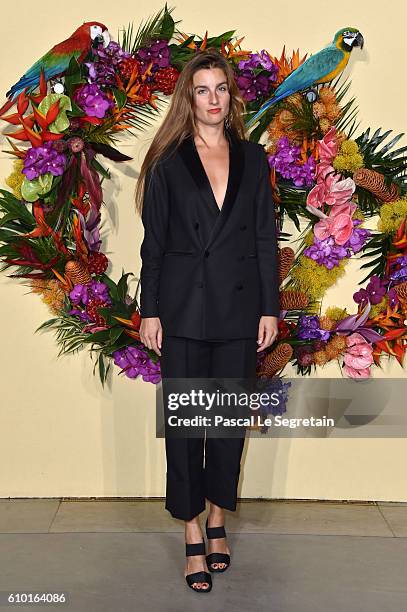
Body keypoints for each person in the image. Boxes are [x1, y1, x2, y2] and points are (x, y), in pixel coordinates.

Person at [135, 48, 280, 593]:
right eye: (203, 89)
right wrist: (151, 309)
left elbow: (265, 237)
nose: (213, 98)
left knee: (225, 424)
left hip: (240, 310)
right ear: (188, 98)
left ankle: (218, 517)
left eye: (221, 88)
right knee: (187, 425)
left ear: (231, 96)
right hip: (183, 308)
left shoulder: (254, 158)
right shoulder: (169, 163)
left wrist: (269, 305)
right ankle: (191, 528)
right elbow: (155, 244)